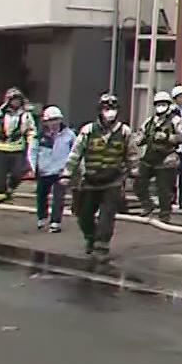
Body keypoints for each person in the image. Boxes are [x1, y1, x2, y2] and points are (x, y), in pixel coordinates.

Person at [69, 95, 135, 260]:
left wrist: (134, 170)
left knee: (107, 215)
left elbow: (132, 154)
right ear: (100, 111)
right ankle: (91, 237)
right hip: (91, 180)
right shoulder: (88, 130)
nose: (110, 113)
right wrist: (67, 174)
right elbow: (75, 153)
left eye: (113, 109)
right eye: (106, 109)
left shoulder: (124, 132)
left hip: (113, 181)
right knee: (83, 215)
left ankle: (101, 245)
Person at [135, 92, 182, 223]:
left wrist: (167, 137)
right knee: (139, 183)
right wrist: (139, 139)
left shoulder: (176, 120)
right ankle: (148, 205)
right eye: (158, 104)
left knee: (163, 189)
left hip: (166, 158)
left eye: (163, 104)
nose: (160, 107)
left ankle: (165, 215)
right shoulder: (150, 121)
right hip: (149, 156)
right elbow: (140, 135)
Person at [27, 106, 74, 233]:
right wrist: (33, 167)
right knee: (41, 195)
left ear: (60, 120)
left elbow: (75, 151)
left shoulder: (69, 135)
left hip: (61, 170)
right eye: (50, 120)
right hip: (44, 170)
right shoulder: (39, 136)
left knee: (59, 197)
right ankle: (42, 217)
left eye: (55, 120)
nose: (53, 123)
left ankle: (55, 222)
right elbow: (32, 152)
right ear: (45, 122)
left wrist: (71, 169)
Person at [0, 88, 37, 204]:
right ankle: (1, 197)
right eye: (13, 100)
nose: (16, 102)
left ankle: (10, 188)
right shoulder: (0, 114)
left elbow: (31, 130)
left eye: (18, 100)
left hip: (17, 149)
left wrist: (30, 142)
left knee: (17, 173)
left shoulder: (26, 116)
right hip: (0, 148)